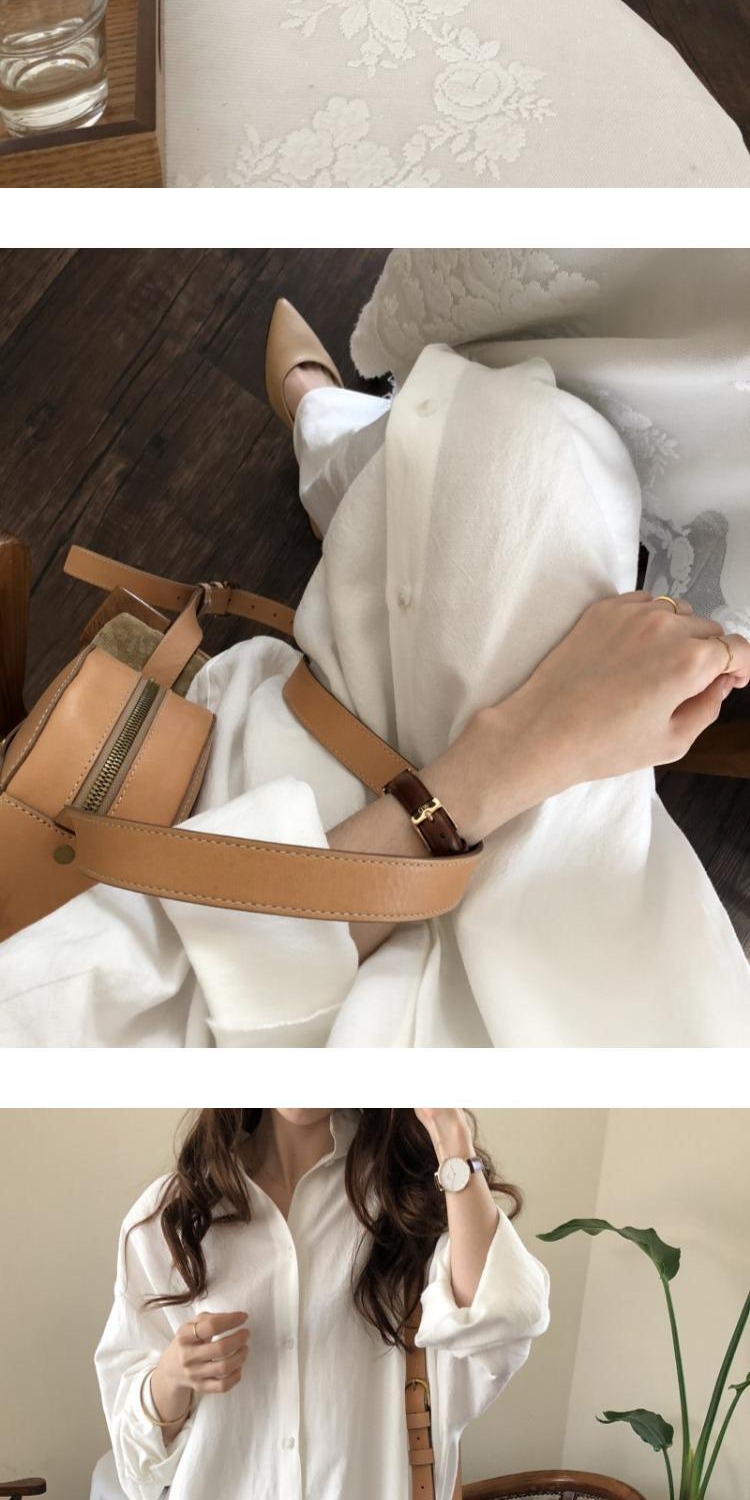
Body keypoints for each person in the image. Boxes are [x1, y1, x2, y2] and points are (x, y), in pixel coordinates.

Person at [4, 288, 749, 1051]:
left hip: (277, 872)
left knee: (521, 438)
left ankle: (338, 458)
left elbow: (134, 988)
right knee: (534, 444)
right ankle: (344, 460)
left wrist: (523, 748)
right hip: (545, 929)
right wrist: (535, 745)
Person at [94, 1103, 549, 1500]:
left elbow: (501, 1328)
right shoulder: (172, 1216)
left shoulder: (413, 1201)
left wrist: (449, 1131)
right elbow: (137, 1468)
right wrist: (172, 1377)